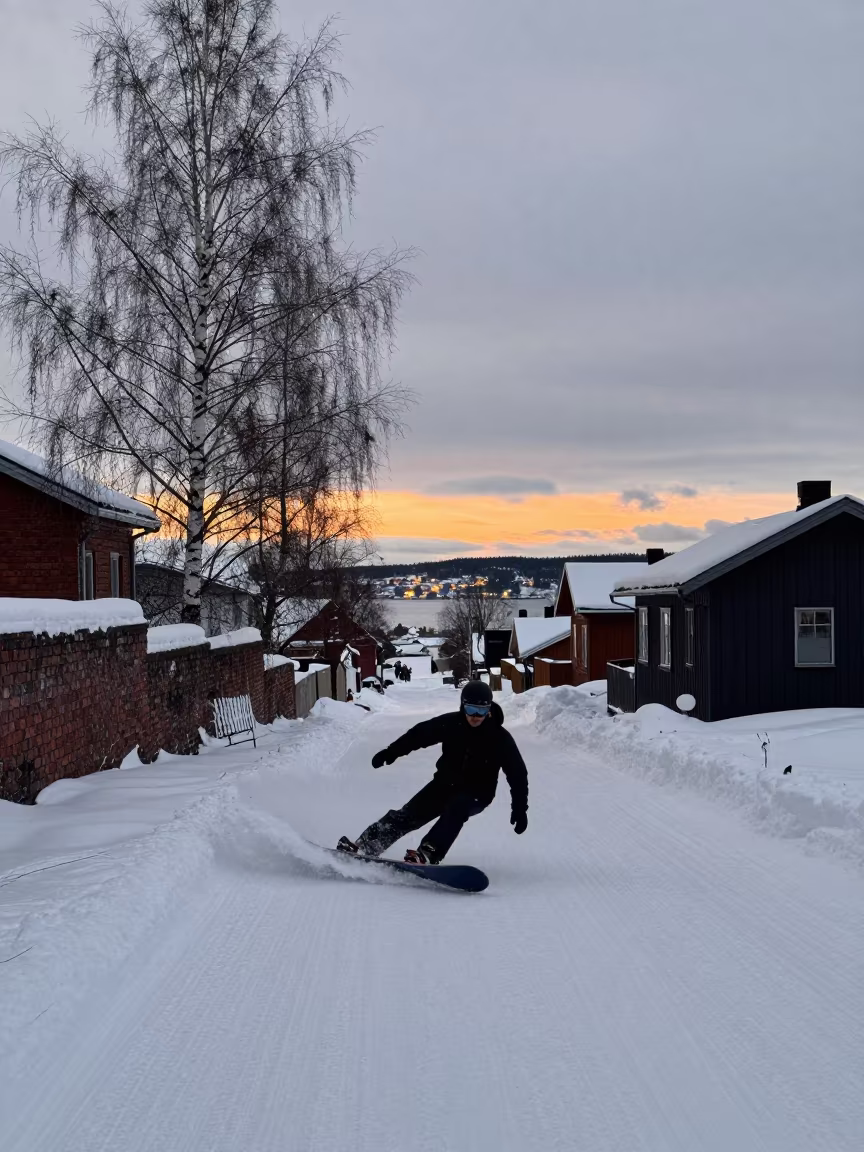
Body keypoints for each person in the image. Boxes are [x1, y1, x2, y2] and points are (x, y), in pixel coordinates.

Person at [337, 681, 528, 864]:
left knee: (457, 809)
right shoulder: (452, 724)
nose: (476, 716)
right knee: (407, 815)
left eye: (482, 710)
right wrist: (392, 752)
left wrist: (519, 809)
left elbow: (517, 774)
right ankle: (365, 846)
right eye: (471, 709)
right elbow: (419, 735)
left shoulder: (500, 738)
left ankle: (429, 853)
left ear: (489, 710)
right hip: (443, 785)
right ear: (463, 706)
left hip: (477, 793)